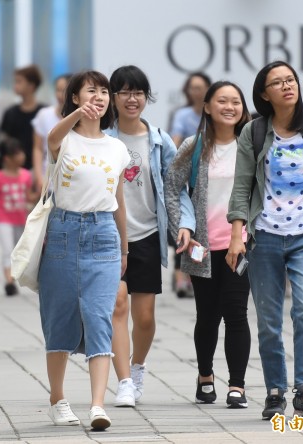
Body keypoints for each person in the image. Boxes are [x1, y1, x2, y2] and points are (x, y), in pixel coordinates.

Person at [226, 61, 303, 420]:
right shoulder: (254, 131)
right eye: (276, 83)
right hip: (263, 236)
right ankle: (275, 390)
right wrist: (237, 234)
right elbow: (242, 184)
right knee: (267, 319)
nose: (286, 86)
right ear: (265, 94)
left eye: (290, 79)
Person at [41, 71, 130, 431]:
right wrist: (78, 115)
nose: (100, 97)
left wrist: (124, 245)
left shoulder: (117, 148)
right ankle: (57, 399)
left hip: (103, 234)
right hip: (62, 232)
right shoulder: (64, 140)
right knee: (59, 318)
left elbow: (118, 199)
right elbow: (51, 137)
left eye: (104, 91)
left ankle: (97, 405)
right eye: (91, 91)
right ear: (75, 98)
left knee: (99, 317)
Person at [105, 65, 195, 407]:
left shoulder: (159, 141)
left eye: (138, 92)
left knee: (144, 318)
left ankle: (137, 367)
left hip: (147, 236)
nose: (132, 99)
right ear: (112, 97)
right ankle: (124, 382)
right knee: (117, 305)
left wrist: (184, 224)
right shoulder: (102, 139)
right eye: (125, 92)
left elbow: (177, 189)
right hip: (109, 235)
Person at [165, 81, 252, 408]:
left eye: (236, 101)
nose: (230, 107)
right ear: (207, 107)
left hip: (239, 244)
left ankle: (237, 386)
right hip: (202, 247)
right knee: (207, 315)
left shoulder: (251, 144)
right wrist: (182, 228)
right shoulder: (195, 145)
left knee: (236, 311)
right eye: (222, 101)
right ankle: (205, 376)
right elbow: (172, 188)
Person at [169, 72, 212, 298]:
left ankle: (196, 272)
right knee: (185, 226)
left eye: (201, 87)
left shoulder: (213, 111)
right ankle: (181, 276)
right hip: (189, 175)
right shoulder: (183, 115)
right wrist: (177, 167)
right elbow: (176, 140)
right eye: (192, 87)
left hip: (211, 176)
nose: (196, 91)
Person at [0, 138, 35, 296]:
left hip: (21, 219)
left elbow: (29, 197)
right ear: (7, 158)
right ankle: (9, 282)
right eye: (17, 154)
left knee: (19, 251)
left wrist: (40, 194)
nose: (22, 156)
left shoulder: (26, 176)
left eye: (21, 152)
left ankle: (16, 276)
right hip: (4, 220)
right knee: (7, 250)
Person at [31, 73, 72, 192]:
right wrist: (39, 177)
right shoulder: (44, 115)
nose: (60, 95)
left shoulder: (82, 119)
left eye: (64, 90)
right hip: (49, 180)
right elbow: (38, 148)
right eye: (57, 90)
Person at [1, 64, 46, 171]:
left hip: (41, 169)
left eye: (19, 81)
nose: (15, 85)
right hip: (15, 170)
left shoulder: (44, 113)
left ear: (31, 85)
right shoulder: (10, 113)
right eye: (15, 81)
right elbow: (5, 143)